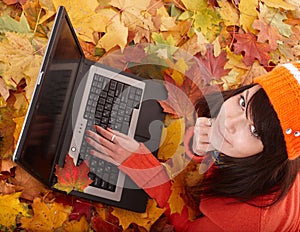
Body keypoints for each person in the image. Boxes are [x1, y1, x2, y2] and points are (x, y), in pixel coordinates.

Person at [86, 61, 300, 231]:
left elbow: (189, 226)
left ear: (274, 154)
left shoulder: (247, 220)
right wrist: (200, 150)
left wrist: (142, 166)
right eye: (242, 102)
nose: (229, 122)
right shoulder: (251, 149)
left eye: (254, 131)